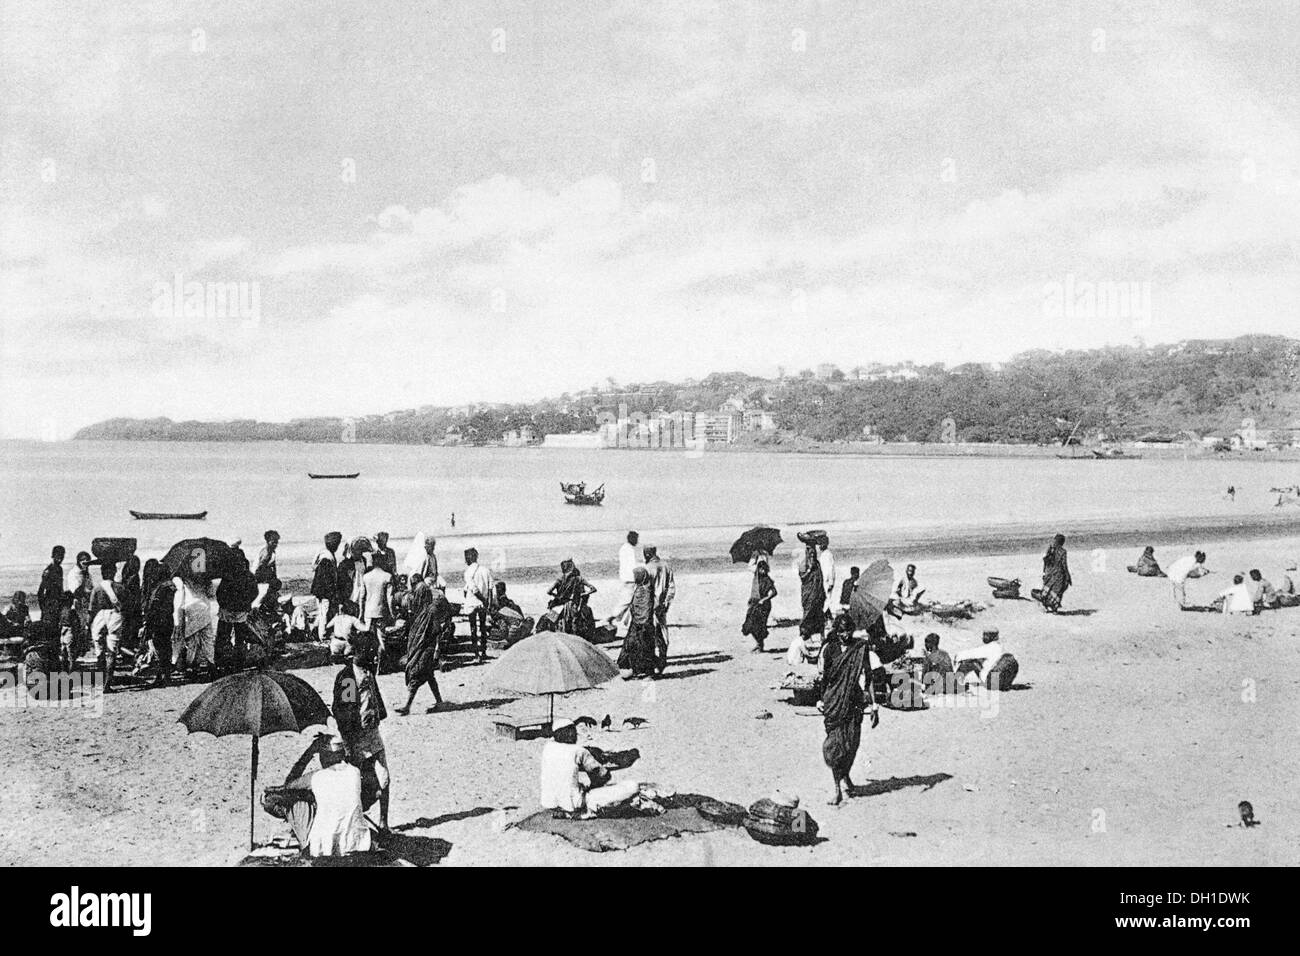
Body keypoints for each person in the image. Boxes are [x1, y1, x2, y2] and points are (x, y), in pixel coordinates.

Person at [332, 634, 390, 834]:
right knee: (356, 784)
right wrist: (348, 742)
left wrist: (379, 713)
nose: (374, 656)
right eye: (370, 652)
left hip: (372, 734)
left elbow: (375, 695)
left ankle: (383, 822)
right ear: (358, 652)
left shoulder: (368, 671)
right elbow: (345, 712)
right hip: (356, 738)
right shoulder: (348, 678)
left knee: (384, 778)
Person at [281, 734, 371, 857]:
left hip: (325, 847)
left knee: (289, 801)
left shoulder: (317, 776)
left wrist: (309, 753)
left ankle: (305, 843)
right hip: (356, 842)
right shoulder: (355, 772)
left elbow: (288, 785)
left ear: (323, 756)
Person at [820, 613, 876, 806]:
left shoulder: (860, 649)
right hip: (834, 702)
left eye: (848, 631)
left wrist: (874, 704)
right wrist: (821, 700)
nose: (845, 635)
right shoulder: (830, 650)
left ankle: (846, 776)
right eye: (841, 631)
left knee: (852, 744)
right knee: (836, 747)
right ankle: (837, 788)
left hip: (854, 701)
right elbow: (825, 679)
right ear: (836, 631)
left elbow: (868, 677)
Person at [539, 718, 640, 818]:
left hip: (549, 803)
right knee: (632, 786)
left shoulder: (547, 748)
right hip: (575, 804)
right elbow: (603, 776)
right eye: (572, 732)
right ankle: (580, 812)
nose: (573, 735)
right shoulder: (578, 750)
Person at [394, 584, 453, 715]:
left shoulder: (431, 610)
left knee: (416, 674)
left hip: (426, 648)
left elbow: (436, 629)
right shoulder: (424, 609)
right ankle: (439, 702)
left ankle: (407, 706)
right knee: (429, 675)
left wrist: (435, 646)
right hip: (423, 647)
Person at [216, 553, 259, 671]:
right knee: (240, 639)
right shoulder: (249, 576)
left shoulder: (228, 576)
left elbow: (220, 593)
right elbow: (254, 592)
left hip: (227, 611)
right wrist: (246, 604)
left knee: (223, 637)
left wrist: (224, 605)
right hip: (241, 612)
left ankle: (222, 662)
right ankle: (239, 663)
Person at [173, 572, 217, 682]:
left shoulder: (184, 577)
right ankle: (211, 665)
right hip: (204, 609)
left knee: (191, 642)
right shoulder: (206, 576)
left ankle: (190, 667)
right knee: (207, 640)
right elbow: (211, 594)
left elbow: (180, 596)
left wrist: (178, 614)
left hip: (190, 609)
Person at [617, 567, 658, 679]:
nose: (635, 578)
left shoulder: (647, 590)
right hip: (636, 623)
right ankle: (636, 670)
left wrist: (641, 622)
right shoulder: (639, 589)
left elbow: (647, 609)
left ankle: (648, 672)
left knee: (644, 647)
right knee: (633, 646)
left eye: (636, 576)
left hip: (644, 624)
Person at [138, 559, 175, 685]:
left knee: (159, 649)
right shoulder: (170, 586)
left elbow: (154, 606)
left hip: (159, 621)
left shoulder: (160, 588)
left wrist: (148, 622)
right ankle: (166, 676)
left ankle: (161, 676)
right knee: (166, 648)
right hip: (167, 621)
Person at [88, 560, 124, 688]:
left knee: (100, 650)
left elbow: (91, 609)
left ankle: (100, 680)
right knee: (112, 651)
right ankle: (107, 683)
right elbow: (127, 606)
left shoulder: (97, 589)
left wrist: (88, 625)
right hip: (115, 616)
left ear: (102, 573)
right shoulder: (120, 587)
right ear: (114, 572)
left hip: (100, 617)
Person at [642, 545, 675, 674]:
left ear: (648, 554)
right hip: (662, 604)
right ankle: (663, 658)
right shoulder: (666, 565)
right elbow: (671, 586)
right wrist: (667, 602)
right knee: (662, 631)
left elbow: (646, 589)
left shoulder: (648, 568)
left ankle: (654, 662)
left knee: (650, 633)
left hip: (651, 604)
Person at [546, 559, 598, 639]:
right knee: (577, 620)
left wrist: (558, 596)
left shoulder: (560, 579)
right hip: (574, 604)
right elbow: (593, 589)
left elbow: (549, 591)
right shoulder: (579, 579)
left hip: (561, 605)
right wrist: (583, 594)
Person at [954, 627, 1019, 690]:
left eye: (985, 635)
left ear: (991, 636)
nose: (983, 637)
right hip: (1002, 683)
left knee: (969, 662)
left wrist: (957, 657)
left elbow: (966, 655)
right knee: (980, 660)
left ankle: (954, 684)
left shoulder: (989, 647)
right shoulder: (1000, 646)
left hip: (991, 683)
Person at [462, 547, 495, 663]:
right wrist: (488, 602)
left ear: (468, 558)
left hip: (472, 603)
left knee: (473, 628)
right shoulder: (485, 570)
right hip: (483, 603)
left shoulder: (468, 572)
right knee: (483, 627)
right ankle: (484, 651)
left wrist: (483, 599)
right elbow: (491, 588)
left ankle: (476, 654)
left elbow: (473, 589)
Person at [311, 532, 344, 641]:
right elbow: (325, 579)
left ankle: (318, 633)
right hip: (324, 593)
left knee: (322, 614)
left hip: (321, 592)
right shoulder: (326, 558)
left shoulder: (325, 554)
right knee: (324, 614)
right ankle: (323, 637)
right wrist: (331, 593)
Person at [37, 546, 66, 663]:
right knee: (49, 632)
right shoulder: (48, 571)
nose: (60, 558)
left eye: (62, 555)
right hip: (50, 606)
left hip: (57, 604)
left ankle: (55, 658)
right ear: (53, 556)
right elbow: (40, 592)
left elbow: (60, 589)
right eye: (58, 555)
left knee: (57, 632)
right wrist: (44, 608)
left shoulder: (59, 569)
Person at [609, 531, 640, 634]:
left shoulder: (624, 548)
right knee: (626, 601)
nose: (637, 541)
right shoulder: (629, 549)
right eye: (636, 539)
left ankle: (623, 621)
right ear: (632, 539)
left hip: (625, 578)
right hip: (630, 579)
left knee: (629, 601)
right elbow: (632, 566)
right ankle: (611, 617)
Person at [742, 559, 777, 652]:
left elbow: (774, 592)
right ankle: (758, 643)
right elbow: (754, 591)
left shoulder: (767, 579)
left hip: (764, 606)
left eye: (764, 569)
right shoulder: (756, 578)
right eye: (761, 569)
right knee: (748, 625)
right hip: (754, 604)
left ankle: (760, 645)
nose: (763, 571)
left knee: (759, 626)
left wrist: (765, 599)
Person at [64, 551, 93, 662]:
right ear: (79, 561)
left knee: (85, 630)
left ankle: (76, 656)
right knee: (76, 632)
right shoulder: (74, 573)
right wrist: (86, 590)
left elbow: (91, 587)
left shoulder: (87, 574)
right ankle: (72, 658)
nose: (85, 562)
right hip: (77, 605)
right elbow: (75, 591)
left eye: (87, 560)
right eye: (83, 560)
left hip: (85, 605)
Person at [489, 581, 534, 647]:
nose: (499, 590)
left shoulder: (506, 601)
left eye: (500, 588)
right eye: (498, 588)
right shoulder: (496, 601)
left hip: (512, 622)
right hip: (507, 623)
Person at [361, 551, 396, 633]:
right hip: (381, 613)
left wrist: (361, 614)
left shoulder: (366, 577)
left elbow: (362, 597)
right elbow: (389, 598)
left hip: (368, 612)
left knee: (370, 639)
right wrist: (392, 614)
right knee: (381, 639)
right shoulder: (387, 576)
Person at [798, 540, 826, 639]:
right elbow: (802, 577)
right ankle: (804, 636)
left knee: (819, 615)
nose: (812, 553)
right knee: (807, 615)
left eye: (814, 551)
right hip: (809, 594)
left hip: (818, 593)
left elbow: (820, 577)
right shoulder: (803, 564)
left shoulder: (817, 563)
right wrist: (809, 570)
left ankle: (822, 636)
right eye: (810, 551)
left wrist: (822, 592)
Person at [1036, 534, 1072, 613]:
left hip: (1049, 573)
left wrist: (1044, 572)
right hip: (1058, 575)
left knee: (1047, 590)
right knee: (1058, 592)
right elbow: (1064, 565)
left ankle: (1045, 605)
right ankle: (1054, 608)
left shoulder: (1050, 549)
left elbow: (1045, 561)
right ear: (1062, 542)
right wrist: (1068, 576)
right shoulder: (1063, 552)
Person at [252, 530, 281, 611]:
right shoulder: (265, 552)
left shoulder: (272, 552)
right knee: (262, 595)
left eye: (276, 542)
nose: (275, 544)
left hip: (266, 577)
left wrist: (274, 577)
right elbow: (260, 568)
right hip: (259, 577)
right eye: (273, 542)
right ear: (268, 541)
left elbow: (273, 567)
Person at [817, 538, 836, 617]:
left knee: (827, 598)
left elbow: (831, 569)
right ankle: (828, 616)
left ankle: (827, 616)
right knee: (825, 598)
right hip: (824, 580)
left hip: (827, 581)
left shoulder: (827, 555)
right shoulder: (824, 554)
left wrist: (831, 582)